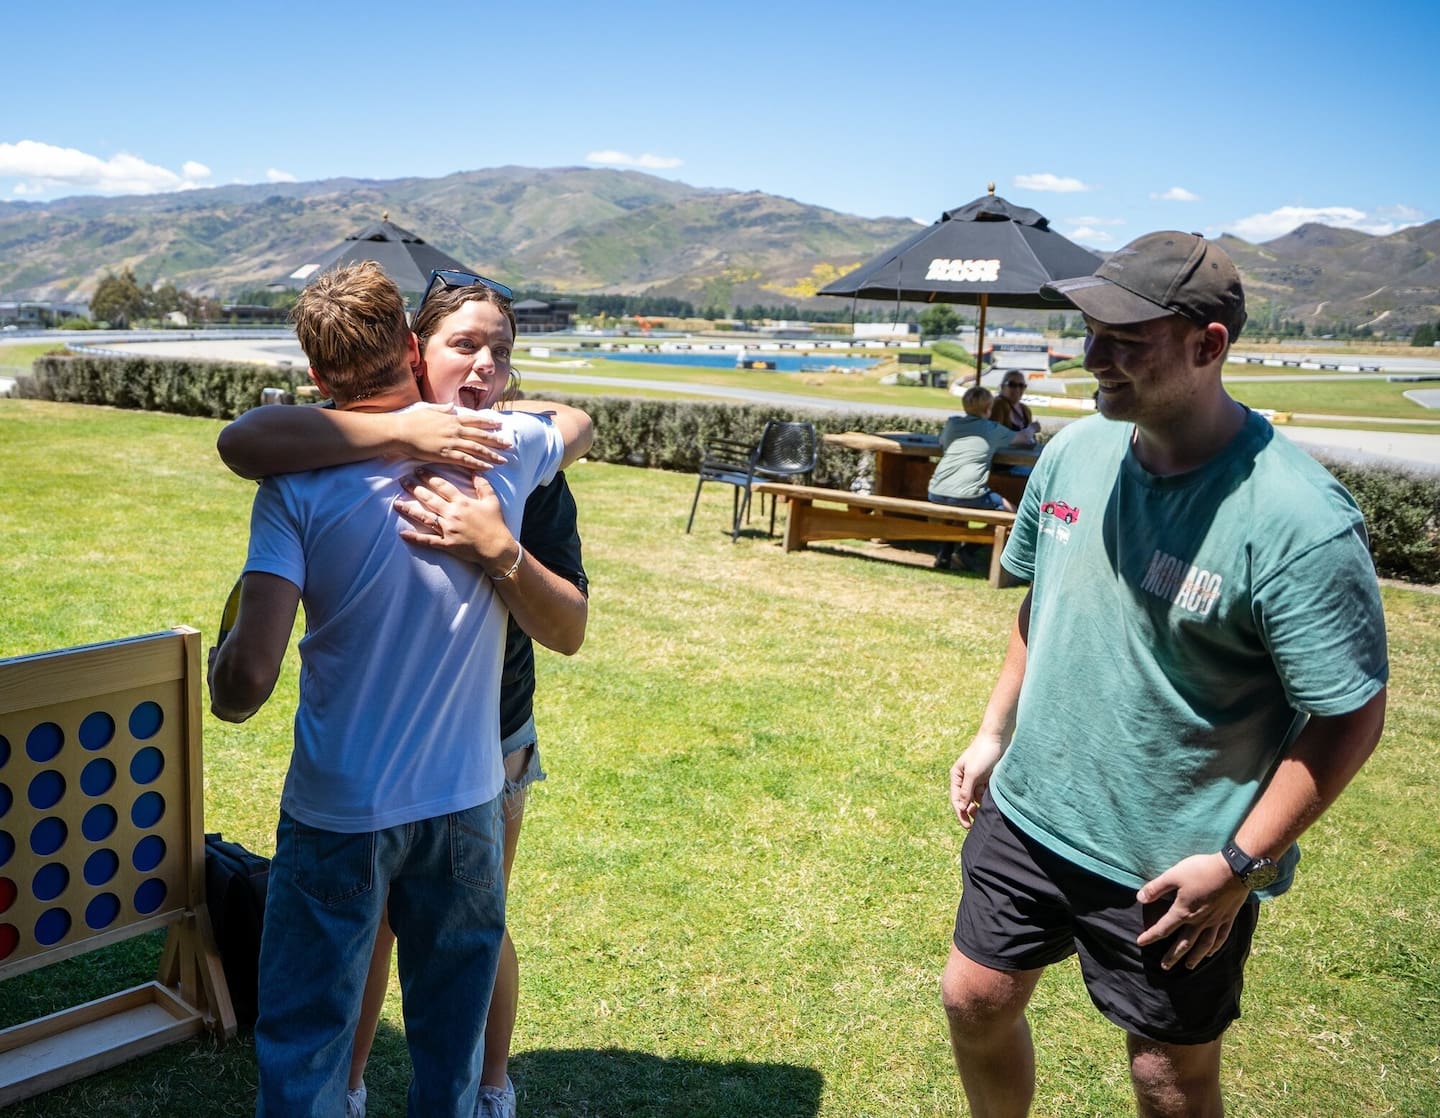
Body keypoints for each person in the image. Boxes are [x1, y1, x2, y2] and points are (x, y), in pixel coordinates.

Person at [940, 231, 1388, 1117]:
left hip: (1173, 859)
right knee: (974, 999)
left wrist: (1237, 864)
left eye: (1125, 341)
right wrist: (994, 732)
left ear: (1208, 346)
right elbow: (1044, 603)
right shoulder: (1074, 453)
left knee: (1166, 1075)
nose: (1093, 359)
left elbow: (1348, 718)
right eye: (1089, 332)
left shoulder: (1298, 520)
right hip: (1032, 810)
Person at [209, 261, 591, 1118]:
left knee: (307, 1034)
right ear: (413, 351)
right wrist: (416, 433)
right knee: (447, 1045)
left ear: (316, 380)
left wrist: (223, 671)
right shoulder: (505, 450)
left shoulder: (294, 486)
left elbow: (247, 683)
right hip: (463, 804)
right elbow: (574, 423)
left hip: (337, 808)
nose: (483, 366)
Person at [927, 385, 1025, 571]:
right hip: (970, 493)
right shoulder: (992, 428)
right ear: (989, 409)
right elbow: (1023, 439)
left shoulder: (953, 424)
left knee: (955, 509)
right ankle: (967, 551)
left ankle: (945, 554)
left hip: (936, 490)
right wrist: (1033, 428)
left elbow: (941, 442)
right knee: (1015, 515)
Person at [989, 374, 1039, 446]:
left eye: (1021, 385)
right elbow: (996, 436)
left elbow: (1030, 439)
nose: (1017, 389)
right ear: (1002, 386)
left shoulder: (1025, 409)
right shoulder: (997, 404)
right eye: (1012, 384)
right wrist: (1032, 428)